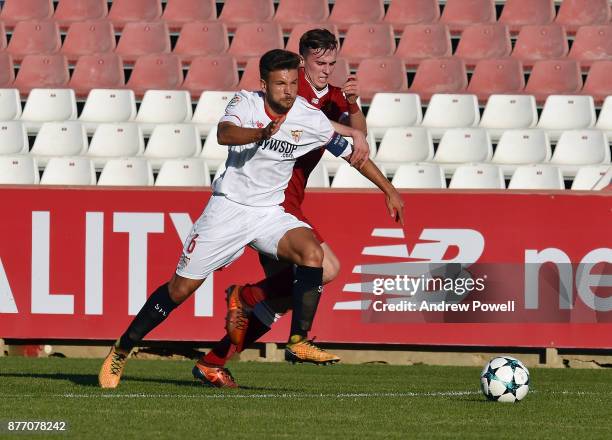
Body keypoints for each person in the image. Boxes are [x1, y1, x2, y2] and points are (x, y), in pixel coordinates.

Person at [98, 49, 374, 389]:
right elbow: (224, 134)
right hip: (229, 209)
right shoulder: (245, 103)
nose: (288, 90)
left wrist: (388, 187)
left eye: (292, 83)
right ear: (264, 84)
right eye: (280, 84)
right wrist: (261, 134)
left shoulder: (307, 115)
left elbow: (351, 148)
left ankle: (296, 340)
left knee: (314, 256)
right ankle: (122, 349)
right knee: (180, 289)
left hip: (269, 213)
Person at [192, 30, 405, 388]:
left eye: (332, 64)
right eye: (320, 63)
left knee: (281, 302)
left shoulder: (335, 97)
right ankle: (250, 302)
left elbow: (358, 143)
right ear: (302, 61)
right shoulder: (289, 91)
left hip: (286, 204)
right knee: (324, 270)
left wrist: (355, 109)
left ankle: (213, 362)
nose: (326, 70)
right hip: (275, 204)